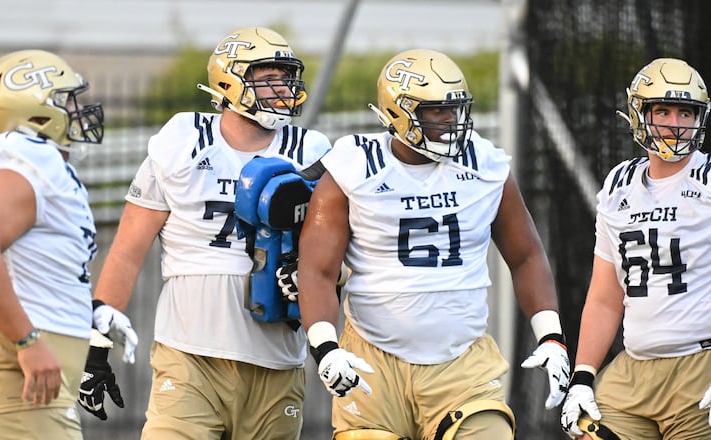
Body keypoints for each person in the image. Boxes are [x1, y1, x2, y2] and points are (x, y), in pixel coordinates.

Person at [293, 48, 569, 440]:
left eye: (453, 110)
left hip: (462, 360)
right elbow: (317, 268)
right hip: (374, 359)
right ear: (397, 113)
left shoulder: (485, 165)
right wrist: (325, 347)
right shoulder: (352, 167)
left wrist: (551, 335)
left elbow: (526, 256)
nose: (448, 121)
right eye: (434, 111)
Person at [77, 27, 331, 439]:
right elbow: (127, 249)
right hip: (190, 357)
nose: (281, 89)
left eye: (285, 79)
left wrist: (311, 276)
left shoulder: (312, 153)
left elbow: (336, 258)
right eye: (267, 79)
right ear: (229, 82)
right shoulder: (181, 144)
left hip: (277, 363)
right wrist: (97, 341)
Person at [0, 49, 116, 439]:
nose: (78, 110)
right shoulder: (28, 159)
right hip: (8, 386)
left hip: (9, 388)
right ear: (37, 113)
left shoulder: (29, 160)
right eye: (68, 100)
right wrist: (28, 340)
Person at [561, 58, 711, 439]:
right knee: (588, 431)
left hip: (700, 365)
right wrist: (581, 376)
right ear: (639, 114)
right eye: (663, 110)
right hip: (634, 369)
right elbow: (605, 296)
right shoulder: (618, 185)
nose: (675, 124)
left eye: (685, 112)